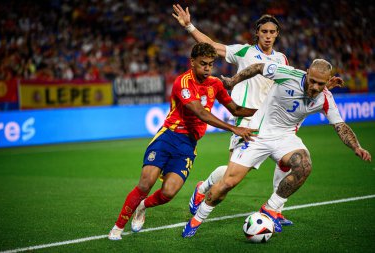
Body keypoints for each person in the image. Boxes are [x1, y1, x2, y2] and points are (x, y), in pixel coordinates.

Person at [181, 59, 372, 237]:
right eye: (312, 81)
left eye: (320, 84)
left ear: (328, 82)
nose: (315, 87)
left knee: (304, 164)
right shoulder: (288, 74)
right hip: (258, 133)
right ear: (306, 73)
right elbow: (258, 67)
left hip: (285, 137)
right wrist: (233, 81)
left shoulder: (326, 98)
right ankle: (197, 219)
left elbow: (340, 125)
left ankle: (271, 208)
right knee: (228, 183)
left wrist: (356, 147)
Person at [108, 42, 258, 240]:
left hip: (188, 144)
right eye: (203, 63)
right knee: (145, 184)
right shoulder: (183, 82)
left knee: (168, 193)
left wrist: (265, 112)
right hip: (168, 137)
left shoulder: (215, 84)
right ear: (192, 62)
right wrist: (233, 128)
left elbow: (236, 110)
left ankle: (142, 206)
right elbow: (200, 113)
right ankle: (117, 229)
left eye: (211, 64)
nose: (207, 68)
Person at [173, 4, 293, 225]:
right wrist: (189, 26)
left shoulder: (282, 59)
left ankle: (275, 210)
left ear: (277, 34)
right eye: (264, 31)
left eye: (272, 32)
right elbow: (211, 46)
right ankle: (204, 187)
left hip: (272, 122)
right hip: (246, 119)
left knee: (287, 162)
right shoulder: (245, 52)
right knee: (233, 173)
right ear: (257, 33)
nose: (267, 36)